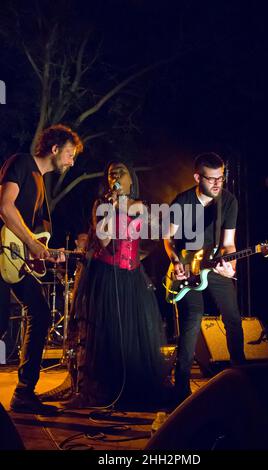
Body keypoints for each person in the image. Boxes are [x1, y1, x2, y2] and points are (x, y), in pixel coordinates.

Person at [65, 160, 167, 408]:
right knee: (103, 333)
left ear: (131, 179)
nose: (116, 177)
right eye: (112, 174)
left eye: (121, 173)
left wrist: (122, 207)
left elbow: (148, 232)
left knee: (131, 334)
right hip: (105, 274)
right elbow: (103, 239)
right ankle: (96, 391)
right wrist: (112, 208)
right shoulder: (101, 205)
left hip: (131, 275)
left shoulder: (140, 205)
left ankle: (133, 389)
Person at [0, 124, 83, 413]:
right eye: (70, 154)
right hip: (1, 252)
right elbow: (6, 207)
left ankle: (24, 392)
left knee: (40, 312)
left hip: (16, 260)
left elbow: (34, 237)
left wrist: (46, 252)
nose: (72, 161)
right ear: (55, 149)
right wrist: (35, 246)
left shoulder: (42, 184)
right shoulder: (21, 163)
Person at [164, 152, 245, 404]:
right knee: (192, 319)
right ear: (198, 177)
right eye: (211, 179)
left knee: (233, 318)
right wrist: (176, 261)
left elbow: (229, 244)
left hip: (214, 264)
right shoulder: (182, 202)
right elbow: (167, 239)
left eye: (221, 178)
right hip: (187, 270)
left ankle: (240, 378)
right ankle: (181, 387)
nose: (218, 184)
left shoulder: (229, 201)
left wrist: (229, 265)